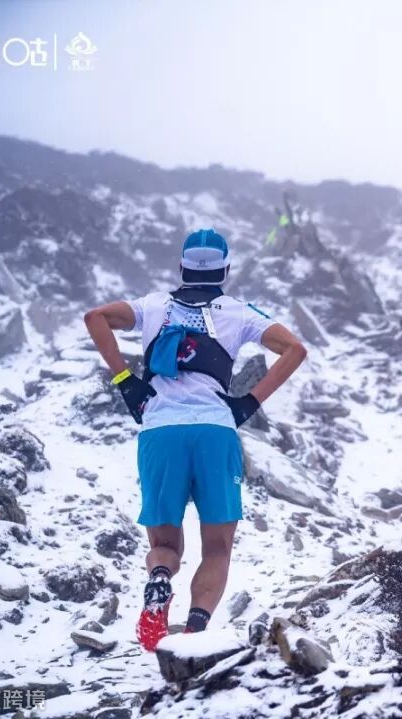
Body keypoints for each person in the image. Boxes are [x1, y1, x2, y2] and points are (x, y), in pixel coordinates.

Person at [83, 228, 307, 651]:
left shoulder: (152, 305)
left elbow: (95, 317)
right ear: (225, 270)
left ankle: (159, 580)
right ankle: (193, 636)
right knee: (217, 548)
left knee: (165, 545)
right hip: (215, 431)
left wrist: (125, 380)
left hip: (160, 430)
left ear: (182, 267)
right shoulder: (239, 312)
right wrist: (249, 402)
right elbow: (295, 349)